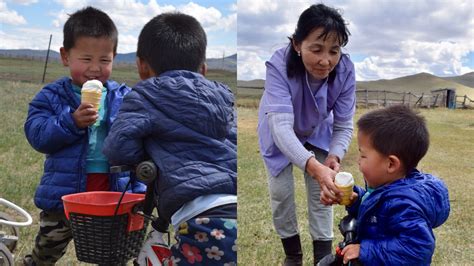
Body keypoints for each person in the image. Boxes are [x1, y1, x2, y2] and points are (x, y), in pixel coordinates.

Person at [102, 12, 237, 265]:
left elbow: (117, 148)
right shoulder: (224, 98)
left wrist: (144, 155)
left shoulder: (144, 95)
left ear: (142, 66)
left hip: (204, 220)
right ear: (203, 69)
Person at [23, 6, 145, 265]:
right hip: (63, 195)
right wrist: (71, 121)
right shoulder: (53, 97)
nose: (95, 69)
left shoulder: (124, 98)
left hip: (112, 190)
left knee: (113, 254)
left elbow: (140, 145)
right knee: (47, 251)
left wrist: (139, 191)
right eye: (86, 59)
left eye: (104, 60)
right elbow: (37, 135)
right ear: (66, 56)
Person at [257, 3, 355, 265]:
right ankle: (293, 255)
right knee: (281, 194)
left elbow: (344, 124)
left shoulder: (345, 70)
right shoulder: (278, 64)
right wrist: (313, 166)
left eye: (334, 51)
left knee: (322, 192)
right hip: (279, 130)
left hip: (318, 129)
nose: (326, 61)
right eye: (316, 49)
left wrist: (335, 154)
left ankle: (322, 257)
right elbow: (280, 126)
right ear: (297, 44)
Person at [340, 105, 450, 265]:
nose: (358, 160)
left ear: (391, 164)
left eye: (363, 155)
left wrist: (364, 251)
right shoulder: (387, 188)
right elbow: (377, 213)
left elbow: (416, 250)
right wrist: (357, 200)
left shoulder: (404, 206)